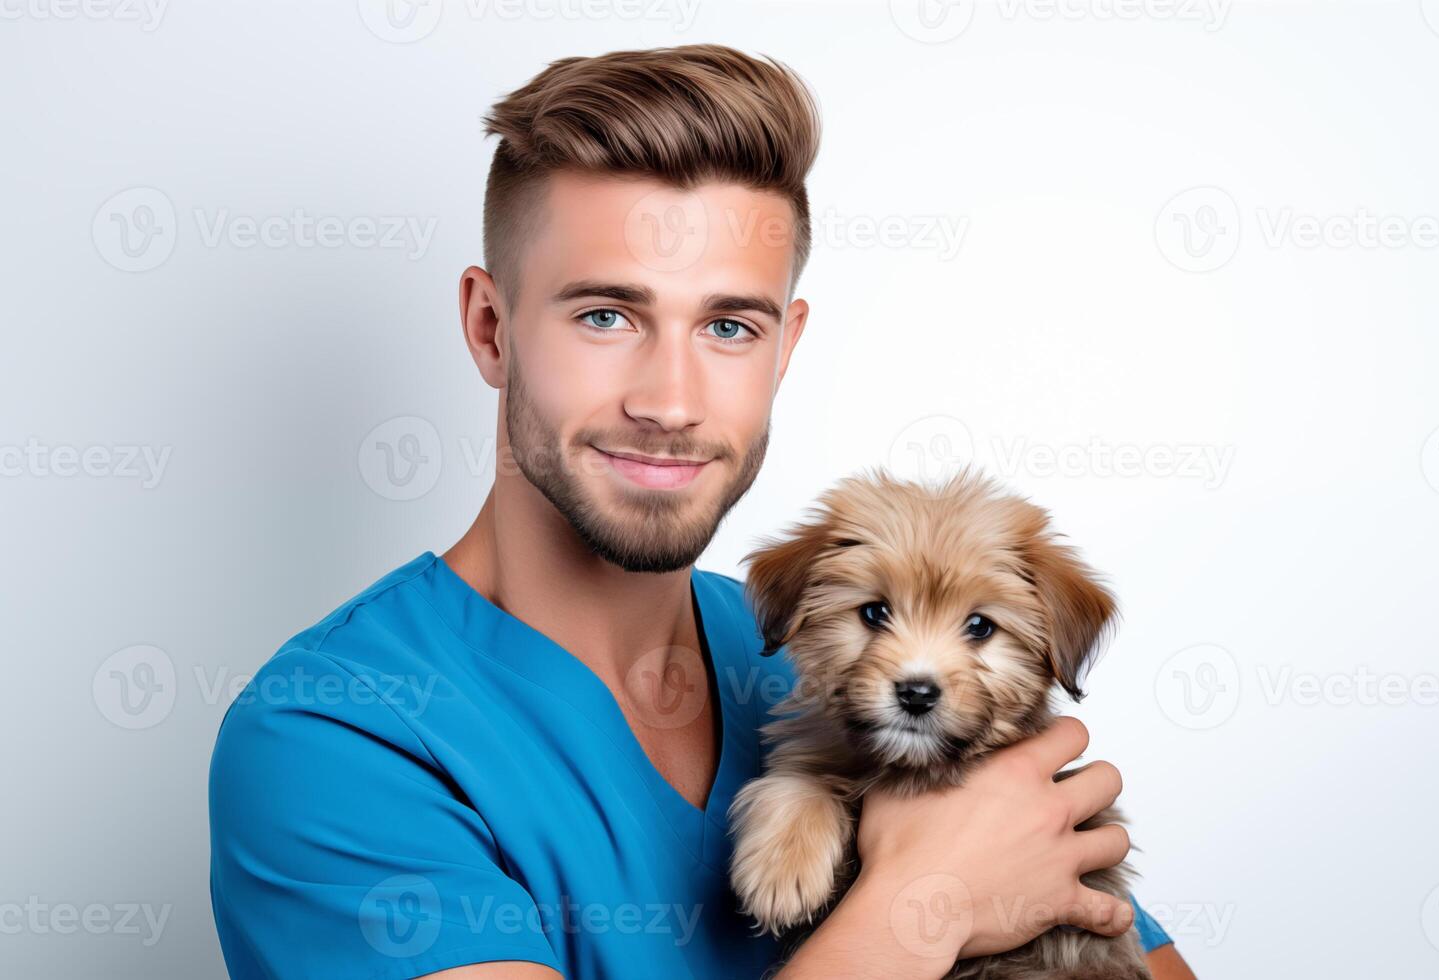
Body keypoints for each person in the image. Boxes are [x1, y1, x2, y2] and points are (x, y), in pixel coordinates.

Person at [208, 44, 1194, 980]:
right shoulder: (335, 733)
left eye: (728, 325)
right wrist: (920, 901)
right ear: (490, 326)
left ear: (785, 348)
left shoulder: (813, 640)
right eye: (605, 314)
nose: (669, 399)